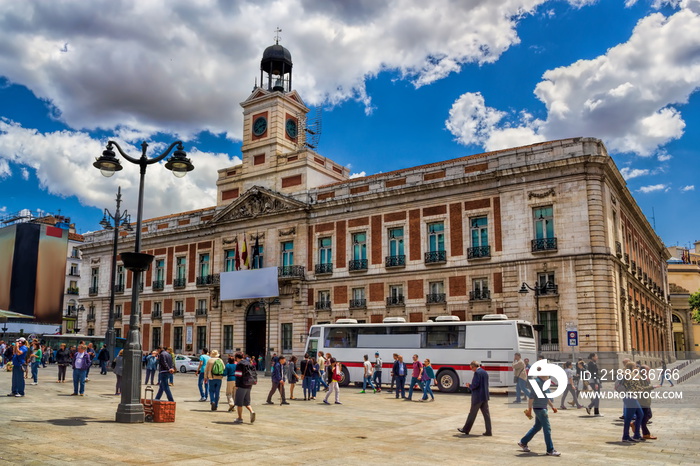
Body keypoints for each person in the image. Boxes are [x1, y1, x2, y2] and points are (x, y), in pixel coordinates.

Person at [518, 371, 561, 456]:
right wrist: (529, 410)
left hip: (542, 408)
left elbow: (545, 396)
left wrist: (552, 407)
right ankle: (550, 450)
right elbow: (531, 397)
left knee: (537, 427)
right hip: (540, 409)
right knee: (547, 429)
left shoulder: (544, 382)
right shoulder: (537, 382)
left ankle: (523, 442)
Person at [458, 361, 492, 436]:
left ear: (474, 366)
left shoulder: (477, 373)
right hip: (485, 396)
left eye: (471, 368)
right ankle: (489, 431)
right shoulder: (485, 372)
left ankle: (466, 429)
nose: (471, 370)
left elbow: (476, 385)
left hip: (478, 396)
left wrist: (469, 386)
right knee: (486, 415)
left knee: (472, 414)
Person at [621, 361, 644, 442]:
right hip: (630, 397)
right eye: (635, 366)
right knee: (628, 418)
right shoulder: (628, 374)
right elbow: (634, 386)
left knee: (640, 414)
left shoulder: (632, 374)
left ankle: (636, 435)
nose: (636, 368)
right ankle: (625, 436)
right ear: (632, 367)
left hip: (633, 397)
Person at [232, 352, 256, 424]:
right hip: (249, 384)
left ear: (236, 358)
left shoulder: (239, 364)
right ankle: (252, 411)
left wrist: (237, 385)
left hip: (241, 385)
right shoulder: (248, 363)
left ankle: (240, 418)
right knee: (247, 401)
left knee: (239, 403)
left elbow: (238, 375)